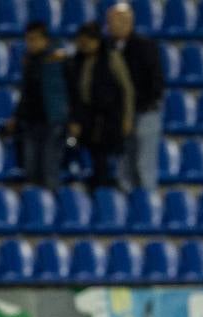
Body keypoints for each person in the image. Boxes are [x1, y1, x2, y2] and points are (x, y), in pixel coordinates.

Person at [67, 21, 134, 192]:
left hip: (109, 119)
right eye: (81, 41)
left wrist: (127, 118)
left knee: (106, 158)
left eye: (87, 41)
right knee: (90, 157)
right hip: (87, 119)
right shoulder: (77, 60)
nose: (84, 44)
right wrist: (74, 119)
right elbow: (74, 93)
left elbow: (127, 89)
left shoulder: (112, 58)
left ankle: (105, 193)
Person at [106, 2, 164, 191]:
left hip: (145, 112)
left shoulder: (145, 46)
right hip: (120, 115)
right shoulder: (107, 47)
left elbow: (155, 81)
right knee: (124, 165)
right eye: (113, 21)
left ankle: (147, 208)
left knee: (143, 164)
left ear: (130, 22)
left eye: (121, 20)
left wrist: (142, 104)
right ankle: (128, 211)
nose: (116, 25)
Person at [11, 21, 69, 193]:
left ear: (45, 40)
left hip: (53, 121)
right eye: (29, 40)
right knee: (31, 168)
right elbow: (26, 92)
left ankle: (51, 212)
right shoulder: (29, 61)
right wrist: (17, 116)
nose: (31, 43)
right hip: (31, 121)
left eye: (35, 39)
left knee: (49, 168)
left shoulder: (58, 60)